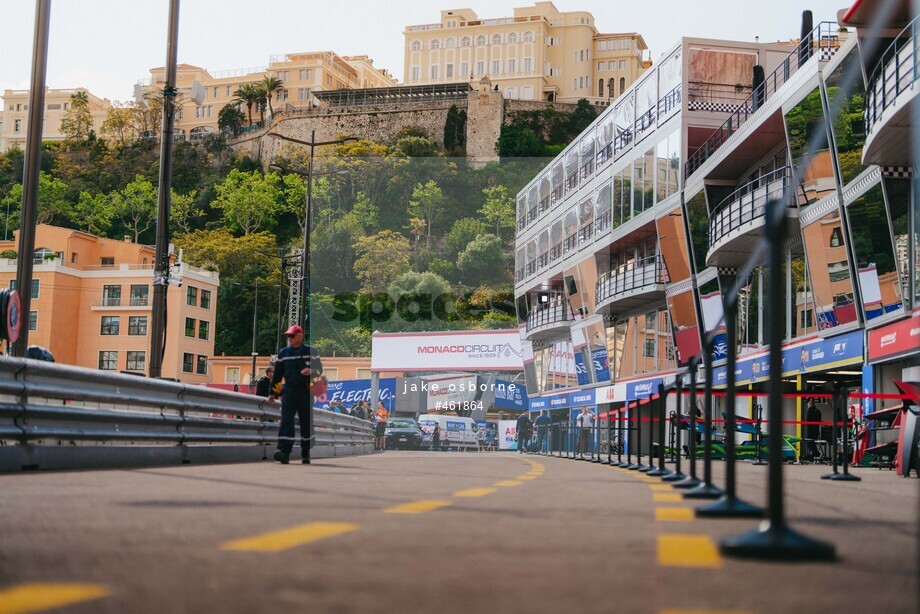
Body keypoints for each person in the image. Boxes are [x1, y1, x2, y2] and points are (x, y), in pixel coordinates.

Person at [268, 325, 323, 465]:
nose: (290, 339)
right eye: (288, 336)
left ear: (300, 336)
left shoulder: (311, 351)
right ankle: (283, 452)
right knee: (286, 421)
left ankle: (306, 453)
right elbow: (277, 376)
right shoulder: (283, 354)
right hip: (289, 391)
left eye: (292, 336)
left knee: (306, 422)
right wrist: (272, 393)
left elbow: (319, 371)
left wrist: (310, 371)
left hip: (306, 391)